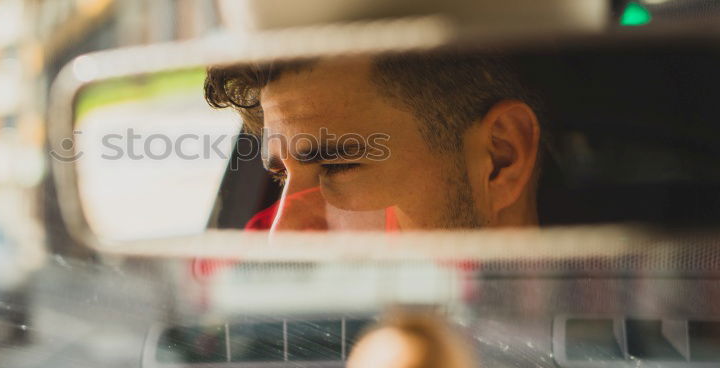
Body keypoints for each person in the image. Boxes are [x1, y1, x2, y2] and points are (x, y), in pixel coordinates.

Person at [205, 53, 544, 232]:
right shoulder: (243, 271)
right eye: (281, 175)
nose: (281, 237)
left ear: (501, 159)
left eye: (339, 167)